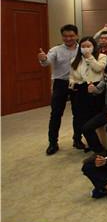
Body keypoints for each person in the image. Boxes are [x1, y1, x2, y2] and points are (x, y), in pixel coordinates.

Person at [38, 24, 79, 155]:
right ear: (62, 37)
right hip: (60, 83)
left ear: (76, 35)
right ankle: (52, 143)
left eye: (71, 36)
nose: (68, 38)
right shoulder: (55, 50)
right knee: (56, 114)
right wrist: (43, 59)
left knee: (78, 114)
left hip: (78, 83)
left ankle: (77, 139)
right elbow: (47, 62)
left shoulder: (82, 49)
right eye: (65, 36)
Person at [69, 36, 107, 150]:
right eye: (83, 46)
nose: (85, 48)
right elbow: (71, 76)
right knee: (79, 117)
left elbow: (98, 68)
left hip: (95, 87)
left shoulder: (101, 56)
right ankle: (79, 139)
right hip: (80, 89)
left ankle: (97, 144)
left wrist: (90, 57)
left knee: (94, 117)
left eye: (88, 46)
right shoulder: (75, 60)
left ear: (94, 46)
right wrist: (72, 83)